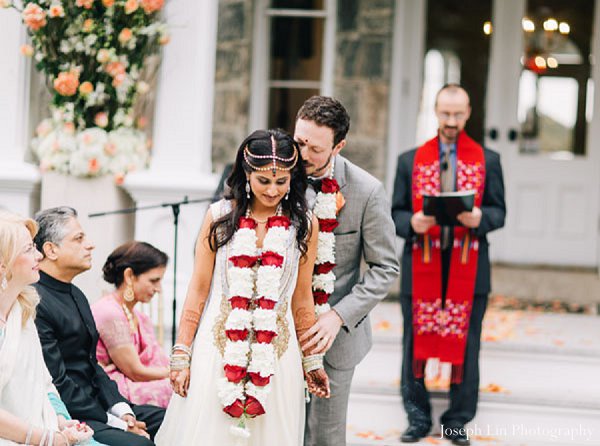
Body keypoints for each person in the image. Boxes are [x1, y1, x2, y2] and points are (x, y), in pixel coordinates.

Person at [155, 129, 330, 445]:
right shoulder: (220, 217)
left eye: (282, 181)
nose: (273, 190)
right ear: (246, 175)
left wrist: (312, 360)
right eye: (264, 181)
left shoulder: (304, 224)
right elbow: (198, 289)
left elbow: (302, 299)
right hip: (218, 351)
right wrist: (182, 353)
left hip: (277, 356)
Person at [391, 84, 506, 445]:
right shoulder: (409, 160)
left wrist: (479, 218)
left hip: (469, 264)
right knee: (414, 343)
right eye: (445, 113)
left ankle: (457, 420)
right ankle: (417, 417)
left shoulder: (488, 160)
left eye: (458, 114)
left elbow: (499, 211)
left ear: (468, 112)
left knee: (467, 342)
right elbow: (394, 213)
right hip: (421, 262)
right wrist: (411, 223)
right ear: (435, 111)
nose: (451, 121)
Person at [293, 95, 400, 446]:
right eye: (299, 142)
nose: (303, 155)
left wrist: (337, 316)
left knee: (323, 437)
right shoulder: (275, 177)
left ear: (339, 146)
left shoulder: (367, 191)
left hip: (333, 339)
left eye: (316, 149)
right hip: (276, 331)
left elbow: (385, 267)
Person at [32, 207, 166, 446]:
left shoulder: (77, 294)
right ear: (51, 250)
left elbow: (93, 364)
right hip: (72, 414)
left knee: (171, 420)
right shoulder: (37, 302)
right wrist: (115, 423)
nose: (90, 245)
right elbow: (57, 381)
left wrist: (123, 411)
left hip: (100, 405)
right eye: (79, 239)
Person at [0, 211, 95, 446]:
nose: (39, 255)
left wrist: (62, 420)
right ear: (3, 265)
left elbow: (44, 383)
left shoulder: (21, 313)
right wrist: (49, 439)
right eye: (28, 249)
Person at [92, 241, 171, 408]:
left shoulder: (140, 317)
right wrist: (175, 374)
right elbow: (135, 372)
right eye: (154, 280)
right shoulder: (109, 312)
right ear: (129, 276)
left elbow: (158, 361)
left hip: (136, 383)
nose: (159, 289)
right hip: (112, 391)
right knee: (180, 390)